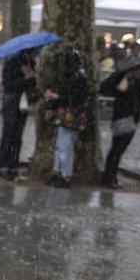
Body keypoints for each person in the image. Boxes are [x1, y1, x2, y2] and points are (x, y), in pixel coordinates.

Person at [42, 49, 90, 189]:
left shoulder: (76, 76)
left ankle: (65, 174)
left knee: (65, 146)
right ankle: (59, 172)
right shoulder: (75, 75)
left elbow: (75, 98)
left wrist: (56, 99)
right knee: (62, 145)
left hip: (71, 114)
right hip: (69, 114)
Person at [99, 65, 140, 189]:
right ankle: (108, 176)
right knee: (116, 149)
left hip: (133, 120)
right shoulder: (124, 81)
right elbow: (121, 89)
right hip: (122, 118)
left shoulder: (138, 84)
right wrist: (127, 76)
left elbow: (139, 98)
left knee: (120, 150)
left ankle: (113, 175)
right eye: (139, 70)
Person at [0, 48, 37, 180]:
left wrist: (32, 78)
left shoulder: (31, 63)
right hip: (12, 101)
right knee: (9, 133)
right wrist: (25, 78)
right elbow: (8, 84)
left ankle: (13, 166)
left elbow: (33, 84)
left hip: (22, 103)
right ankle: (4, 166)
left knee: (17, 136)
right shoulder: (12, 63)